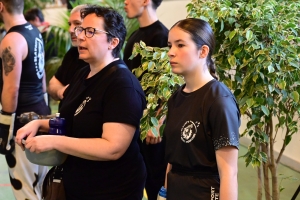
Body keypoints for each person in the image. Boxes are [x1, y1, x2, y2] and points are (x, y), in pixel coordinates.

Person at [16, 5, 147, 199]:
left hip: (111, 189)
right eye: (80, 29)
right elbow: (73, 119)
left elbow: (113, 148)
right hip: (79, 184)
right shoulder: (83, 73)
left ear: (113, 42)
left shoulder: (122, 84)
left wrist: (55, 141)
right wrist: (39, 123)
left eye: (90, 31)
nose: (80, 36)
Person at [163, 18, 240, 200]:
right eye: (170, 46)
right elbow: (173, 158)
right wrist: (164, 192)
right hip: (176, 190)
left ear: (203, 51)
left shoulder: (219, 100)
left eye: (180, 45)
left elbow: (229, 173)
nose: (171, 53)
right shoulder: (176, 97)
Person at [0, 0, 50, 199]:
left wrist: (5, 127)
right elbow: (42, 76)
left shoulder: (12, 39)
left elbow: (12, 88)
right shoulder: (34, 32)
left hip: (22, 124)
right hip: (39, 114)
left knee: (25, 190)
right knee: (40, 187)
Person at [123, 0, 169, 199]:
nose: (125, 2)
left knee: (154, 184)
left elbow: (168, 84)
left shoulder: (162, 36)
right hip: (134, 123)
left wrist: (157, 121)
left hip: (152, 129)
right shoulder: (134, 36)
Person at [47, 4, 87, 103]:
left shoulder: (100, 61)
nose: (70, 30)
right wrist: (61, 91)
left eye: (77, 23)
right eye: (70, 24)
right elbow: (53, 83)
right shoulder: (73, 53)